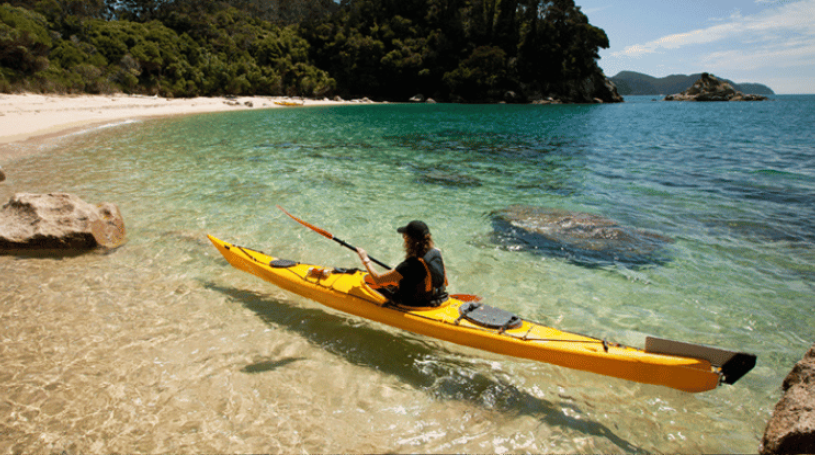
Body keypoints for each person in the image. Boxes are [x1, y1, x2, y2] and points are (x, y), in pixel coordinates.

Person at [357, 220, 448, 307]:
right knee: (394, 282)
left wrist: (365, 259)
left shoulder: (409, 265)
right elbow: (444, 281)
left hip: (415, 304)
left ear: (409, 240)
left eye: (405, 236)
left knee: (376, 287)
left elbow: (378, 279)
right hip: (437, 298)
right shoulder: (437, 253)